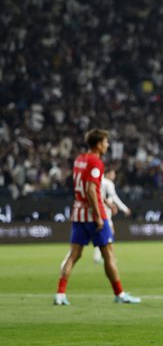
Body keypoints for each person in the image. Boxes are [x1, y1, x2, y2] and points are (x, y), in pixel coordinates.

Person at [53, 129, 141, 305]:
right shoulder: (96, 162)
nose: (108, 145)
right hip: (93, 216)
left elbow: (84, 187)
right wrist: (99, 215)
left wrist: (106, 204)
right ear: (99, 144)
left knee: (73, 255)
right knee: (109, 255)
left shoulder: (79, 160)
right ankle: (120, 294)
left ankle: (60, 294)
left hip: (78, 213)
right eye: (106, 142)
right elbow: (91, 190)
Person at [93, 168, 132, 264]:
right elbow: (114, 197)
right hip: (104, 211)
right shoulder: (108, 183)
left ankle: (98, 256)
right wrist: (124, 208)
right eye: (113, 173)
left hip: (98, 209)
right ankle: (109, 257)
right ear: (107, 174)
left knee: (104, 234)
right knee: (109, 234)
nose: (114, 176)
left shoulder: (99, 181)